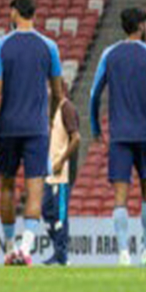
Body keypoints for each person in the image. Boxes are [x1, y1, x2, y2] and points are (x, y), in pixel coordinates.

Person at [0, 0, 66, 267]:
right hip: (36, 128)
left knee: (7, 186)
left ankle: (9, 249)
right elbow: (58, 91)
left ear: (14, 13)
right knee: (34, 190)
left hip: (8, 127)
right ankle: (27, 249)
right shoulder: (49, 47)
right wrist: (52, 117)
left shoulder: (1, 46)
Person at [88, 7, 146, 266]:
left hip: (119, 135)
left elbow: (93, 95)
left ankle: (123, 253)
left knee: (120, 195)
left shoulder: (109, 54)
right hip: (145, 133)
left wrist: (95, 127)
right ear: (141, 26)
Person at [41, 90, 81, 266]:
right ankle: (59, 251)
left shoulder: (67, 109)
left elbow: (76, 138)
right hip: (50, 173)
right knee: (46, 211)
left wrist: (62, 161)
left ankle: (62, 254)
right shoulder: (52, 111)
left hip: (62, 173)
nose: (47, 93)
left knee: (60, 214)